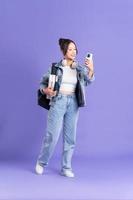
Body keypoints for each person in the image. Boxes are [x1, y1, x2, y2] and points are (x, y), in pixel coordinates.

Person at [35, 38, 95, 178]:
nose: (73, 52)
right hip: (58, 101)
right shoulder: (55, 68)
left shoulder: (79, 68)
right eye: (70, 49)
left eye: (75, 49)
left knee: (70, 138)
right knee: (52, 136)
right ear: (63, 51)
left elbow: (89, 81)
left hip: (73, 103)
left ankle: (66, 167)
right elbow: (42, 84)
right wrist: (46, 91)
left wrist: (91, 68)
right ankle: (41, 162)